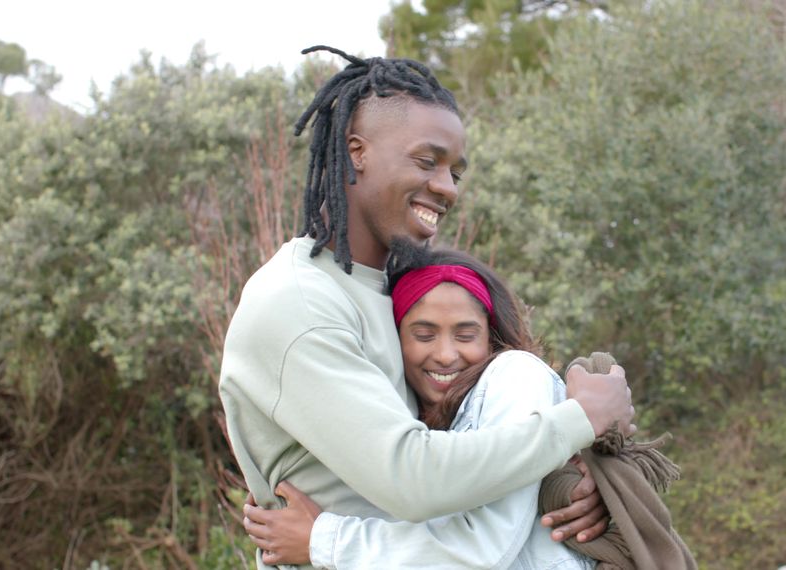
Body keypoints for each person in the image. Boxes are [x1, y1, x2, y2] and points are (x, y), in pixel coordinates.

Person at [218, 46, 634, 569]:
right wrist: (578, 421)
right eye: (426, 161)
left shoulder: (383, 290)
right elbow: (413, 477)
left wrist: (566, 475)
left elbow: (467, 428)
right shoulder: (298, 303)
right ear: (354, 152)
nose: (445, 188)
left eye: (455, 172)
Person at [243, 239, 599, 568]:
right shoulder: (406, 420)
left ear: (492, 337)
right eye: (424, 335)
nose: (446, 355)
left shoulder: (516, 375)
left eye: (465, 334)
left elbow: (484, 546)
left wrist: (320, 540)